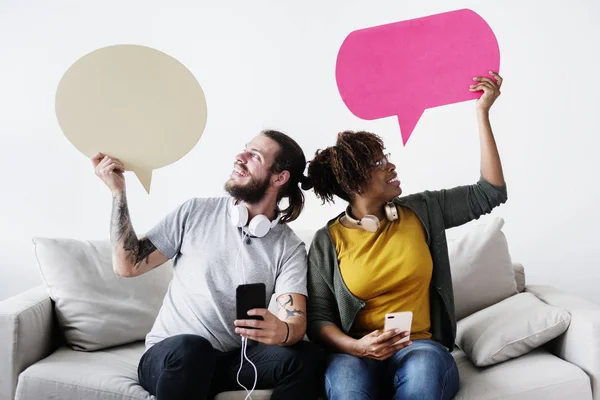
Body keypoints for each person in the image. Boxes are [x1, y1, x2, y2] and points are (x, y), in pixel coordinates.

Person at [305, 72, 507, 400]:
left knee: (422, 374)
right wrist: (357, 346)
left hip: (420, 349)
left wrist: (482, 113)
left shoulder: (423, 211)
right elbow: (319, 318)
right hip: (355, 355)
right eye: (379, 162)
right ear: (356, 184)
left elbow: (490, 192)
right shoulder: (327, 241)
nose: (391, 166)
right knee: (346, 386)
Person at [92, 129, 320, 400]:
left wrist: (283, 331)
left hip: (231, 361)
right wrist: (118, 193)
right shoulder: (195, 212)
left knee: (309, 357)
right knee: (193, 348)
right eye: (244, 148)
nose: (240, 157)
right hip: (172, 357)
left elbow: (295, 319)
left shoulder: (287, 246)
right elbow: (127, 265)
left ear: (279, 178)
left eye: (254, 155)